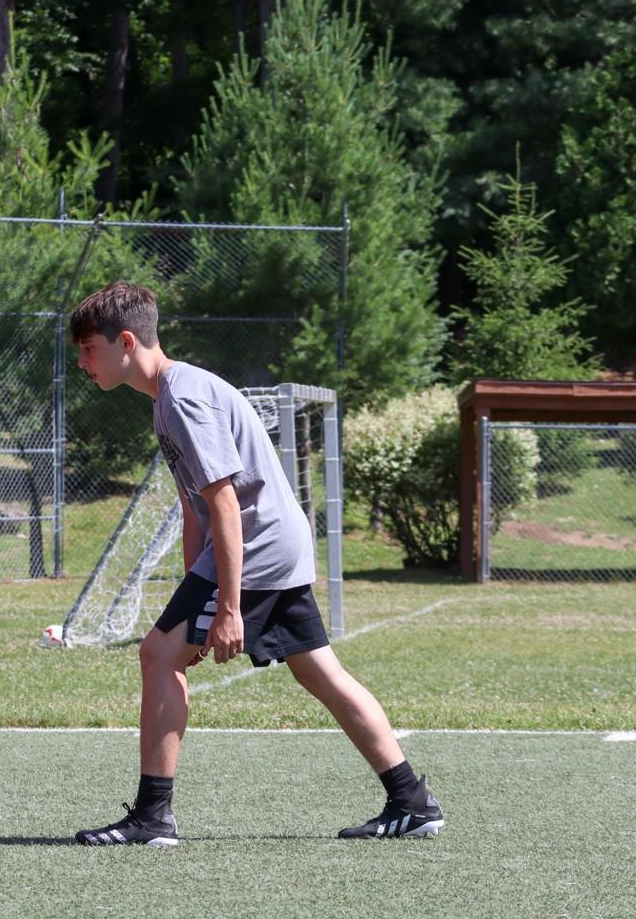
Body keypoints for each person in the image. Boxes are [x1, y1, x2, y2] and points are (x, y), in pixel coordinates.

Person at [67, 281, 444, 847]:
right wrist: (195, 600)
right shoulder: (168, 398)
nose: (82, 362)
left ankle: (152, 818)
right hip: (274, 543)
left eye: (88, 349)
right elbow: (193, 510)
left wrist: (226, 609)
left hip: (259, 546)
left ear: (126, 341)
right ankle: (412, 801)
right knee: (318, 671)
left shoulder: (182, 399)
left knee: (158, 654)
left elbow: (224, 504)